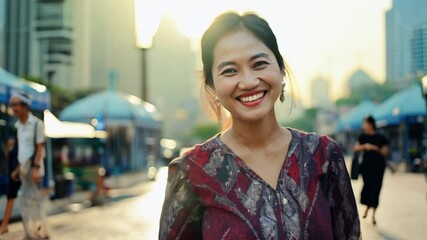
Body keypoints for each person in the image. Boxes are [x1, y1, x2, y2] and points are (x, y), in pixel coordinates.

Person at [159, 11, 360, 239]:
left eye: (259, 64)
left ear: (281, 70)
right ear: (212, 86)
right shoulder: (192, 171)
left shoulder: (323, 156)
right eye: (229, 71)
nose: (249, 82)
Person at [9, 92, 49, 239]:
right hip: (23, 170)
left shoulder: (37, 124)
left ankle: (40, 232)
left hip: (34, 170)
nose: (13, 108)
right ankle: (29, 232)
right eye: (11, 105)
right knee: (24, 202)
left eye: (16, 104)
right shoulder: (19, 126)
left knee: (35, 202)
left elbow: (40, 148)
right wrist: (17, 169)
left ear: (25, 106)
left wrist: (36, 169)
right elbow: (23, 151)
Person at [353, 115, 389, 225]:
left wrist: (374, 147)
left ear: (370, 124)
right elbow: (356, 148)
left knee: (376, 189)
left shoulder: (381, 137)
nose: (364, 126)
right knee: (368, 187)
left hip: (378, 167)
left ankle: (373, 215)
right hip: (366, 167)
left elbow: (385, 152)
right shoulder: (362, 136)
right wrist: (364, 146)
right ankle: (367, 208)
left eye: (365, 123)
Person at [0, 131, 21, 235]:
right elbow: (6, 155)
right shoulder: (11, 142)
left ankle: (5, 224)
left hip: (20, 172)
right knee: (10, 197)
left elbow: (24, 158)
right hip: (12, 173)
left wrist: (17, 170)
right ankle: (5, 224)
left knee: (28, 197)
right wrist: (8, 146)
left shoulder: (22, 143)